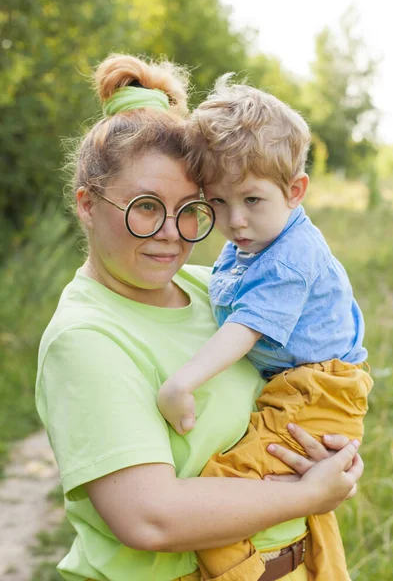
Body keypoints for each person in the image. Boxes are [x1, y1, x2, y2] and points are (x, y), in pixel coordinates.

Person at [36, 54, 363, 581]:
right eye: (146, 205)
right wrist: (308, 494)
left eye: (191, 209)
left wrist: (335, 456)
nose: (171, 231)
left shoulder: (211, 287)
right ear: (87, 205)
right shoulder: (87, 338)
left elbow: (308, 376)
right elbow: (151, 520)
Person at [157, 77, 373, 581]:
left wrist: (181, 382)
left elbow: (246, 327)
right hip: (304, 386)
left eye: (252, 200)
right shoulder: (254, 241)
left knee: (224, 485)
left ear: (295, 191)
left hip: (317, 390)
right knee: (287, 492)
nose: (235, 223)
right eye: (218, 203)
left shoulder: (292, 256)